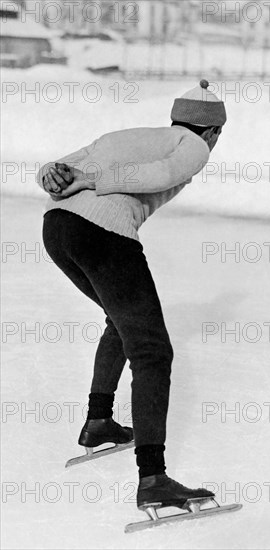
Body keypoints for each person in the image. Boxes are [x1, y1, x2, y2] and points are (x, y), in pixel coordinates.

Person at [37, 80, 227, 510]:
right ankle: (154, 479)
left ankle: (99, 420)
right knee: (152, 352)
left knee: (118, 322)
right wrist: (96, 180)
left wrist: (51, 174)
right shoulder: (194, 143)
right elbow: (163, 174)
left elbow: (55, 170)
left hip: (58, 229)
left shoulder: (123, 136)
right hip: (103, 235)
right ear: (213, 132)